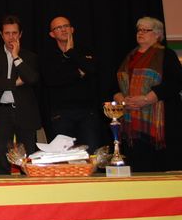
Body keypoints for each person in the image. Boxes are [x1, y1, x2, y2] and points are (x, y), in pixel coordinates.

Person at [114, 16, 182, 172]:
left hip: (161, 121)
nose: (140, 33)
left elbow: (175, 82)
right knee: (137, 165)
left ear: (157, 35)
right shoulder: (129, 56)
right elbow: (114, 85)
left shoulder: (166, 54)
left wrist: (146, 99)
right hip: (131, 120)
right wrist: (123, 100)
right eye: (139, 29)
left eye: (146, 30)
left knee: (160, 165)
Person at [0, 15, 41, 175]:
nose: (11, 37)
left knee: (28, 159)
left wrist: (16, 57)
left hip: (25, 111)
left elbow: (32, 79)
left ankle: (29, 189)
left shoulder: (29, 56)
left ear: (20, 34)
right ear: (1, 35)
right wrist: (15, 83)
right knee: (3, 159)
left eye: (14, 33)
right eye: (7, 33)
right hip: (1, 112)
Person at [40, 16, 100, 154]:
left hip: (87, 112)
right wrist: (78, 73)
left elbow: (92, 69)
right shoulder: (47, 55)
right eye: (58, 28)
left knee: (90, 154)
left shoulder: (85, 50)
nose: (63, 30)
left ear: (72, 29)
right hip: (61, 113)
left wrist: (71, 53)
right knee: (62, 156)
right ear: (52, 34)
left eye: (66, 26)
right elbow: (51, 80)